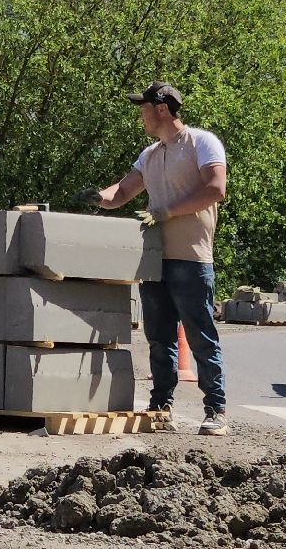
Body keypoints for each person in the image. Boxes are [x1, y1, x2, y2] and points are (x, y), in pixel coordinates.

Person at [78, 81, 230, 435]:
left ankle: (216, 410)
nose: (141, 115)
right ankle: (161, 407)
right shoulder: (150, 154)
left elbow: (215, 189)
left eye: (144, 108)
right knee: (159, 339)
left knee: (200, 335)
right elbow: (123, 192)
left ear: (161, 109)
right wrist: (99, 197)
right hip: (154, 260)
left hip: (192, 258)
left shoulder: (201, 143)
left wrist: (166, 212)